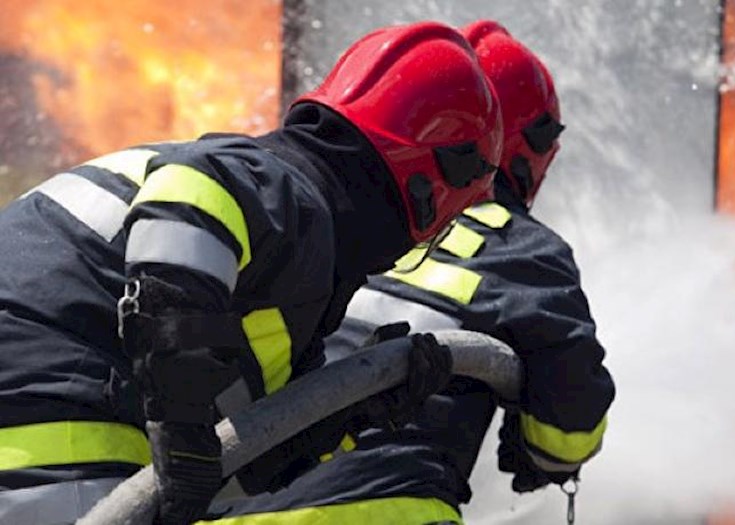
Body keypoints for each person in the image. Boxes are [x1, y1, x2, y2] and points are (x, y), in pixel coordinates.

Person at [0, 21, 504, 525]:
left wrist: (354, 411)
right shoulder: (284, 189)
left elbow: (222, 472)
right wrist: (181, 419)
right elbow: (189, 199)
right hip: (46, 433)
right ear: (432, 186)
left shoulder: (277, 258)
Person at [200, 20, 615, 525]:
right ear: (528, 147)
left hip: (220, 508)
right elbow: (567, 432)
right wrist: (539, 445)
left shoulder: (319, 219)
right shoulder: (521, 249)